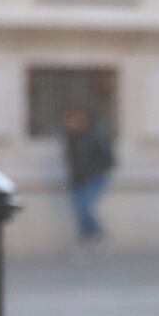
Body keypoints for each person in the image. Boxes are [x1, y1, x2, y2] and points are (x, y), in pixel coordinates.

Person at [63, 106, 115, 250]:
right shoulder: (71, 138)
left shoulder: (94, 135)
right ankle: (86, 241)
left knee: (86, 209)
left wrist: (97, 170)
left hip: (94, 177)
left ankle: (99, 236)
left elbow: (107, 157)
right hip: (78, 178)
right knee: (80, 212)